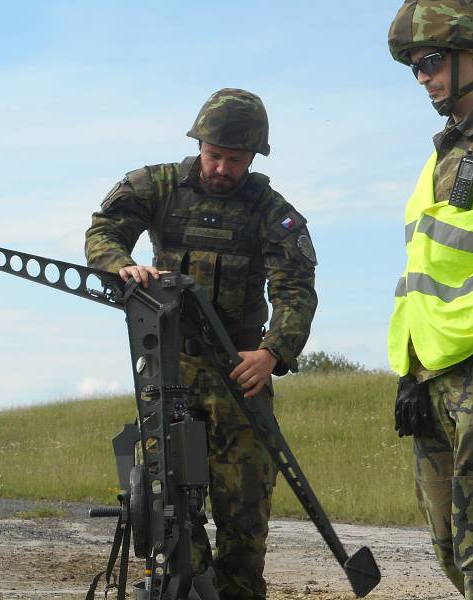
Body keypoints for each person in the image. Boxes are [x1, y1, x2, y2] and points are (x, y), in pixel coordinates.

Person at [85, 88, 317, 600]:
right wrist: (118, 265)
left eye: (235, 160)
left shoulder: (270, 211)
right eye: (215, 156)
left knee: (245, 514)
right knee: (166, 509)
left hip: (240, 372)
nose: (222, 169)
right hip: (169, 368)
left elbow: (296, 286)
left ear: (253, 158)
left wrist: (273, 351)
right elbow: (104, 229)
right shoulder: (158, 185)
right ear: (199, 144)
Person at [386, 1, 473, 597]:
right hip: (434, 371)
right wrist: (411, 371)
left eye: (432, 61)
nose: (423, 77)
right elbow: (424, 270)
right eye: (415, 67)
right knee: (449, 545)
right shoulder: (439, 154)